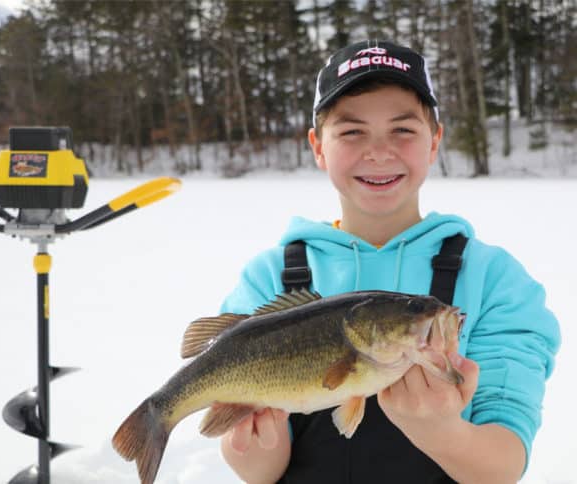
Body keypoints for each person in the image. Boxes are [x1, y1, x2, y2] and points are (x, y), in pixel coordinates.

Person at [218, 40, 560, 484]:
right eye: (352, 132)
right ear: (318, 146)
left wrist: (443, 434)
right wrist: (254, 443)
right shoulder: (269, 278)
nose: (379, 152)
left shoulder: (495, 280)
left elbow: (503, 464)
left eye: (402, 129)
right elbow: (257, 470)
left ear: (434, 142)